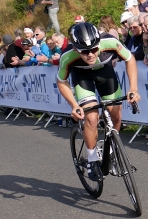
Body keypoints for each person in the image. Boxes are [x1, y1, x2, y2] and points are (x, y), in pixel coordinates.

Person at [56, 22, 140, 181]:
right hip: (82, 78)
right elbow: (61, 81)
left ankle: (112, 152)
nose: (90, 55)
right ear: (75, 49)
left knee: (115, 115)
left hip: (105, 74)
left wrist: (133, 88)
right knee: (92, 118)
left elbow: (130, 59)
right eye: (84, 51)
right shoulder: (67, 56)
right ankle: (92, 160)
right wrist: (74, 105)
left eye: (94, 49)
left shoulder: (110, 42)